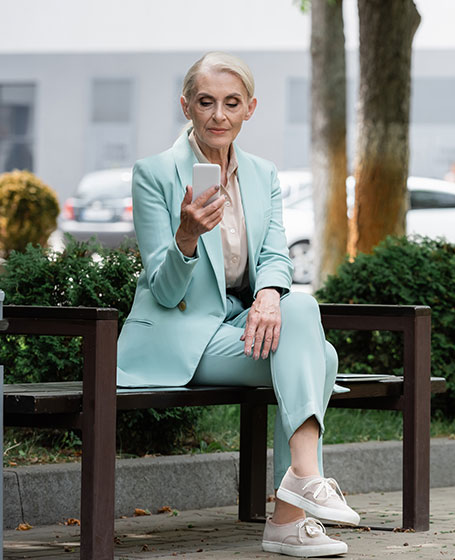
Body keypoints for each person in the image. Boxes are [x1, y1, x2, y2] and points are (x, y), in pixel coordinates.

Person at [116, 52, 357, 557]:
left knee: (300, 308)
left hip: (237, 325)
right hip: (181, 336)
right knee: (323, 358)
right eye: (206, 102)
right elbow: (164, 292)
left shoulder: (262, 174)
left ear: (250, 108)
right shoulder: (154, 173)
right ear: (186, 106)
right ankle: (293, 509)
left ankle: (298, 488)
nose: (218, 116)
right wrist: (185, 238)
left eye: (231, 103)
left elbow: (275, 254)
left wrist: (268, 294)